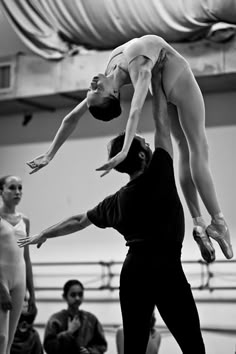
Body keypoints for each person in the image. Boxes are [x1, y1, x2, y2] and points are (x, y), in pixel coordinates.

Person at [18, 64, 206, 354]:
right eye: (143, 142)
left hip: (135, 272)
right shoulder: (159, 171)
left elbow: (79, 220)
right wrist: (155, 78)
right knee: (193, 345)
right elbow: (162, 122)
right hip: (168, 269)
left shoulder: (117, 201)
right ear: (144, 155)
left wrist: (45, 233)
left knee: (133, 348)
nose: (146, 142)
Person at [26, 34, 232, 263]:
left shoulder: (110, 72)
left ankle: (199, 222)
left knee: (183, 149)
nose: (92, 86)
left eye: (90, 91)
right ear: (114, 94)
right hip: (176, 75)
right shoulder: (137, 67)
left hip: (162, 83)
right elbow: (134, 110)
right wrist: (124, 151)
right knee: (199, 147)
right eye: (96, 91)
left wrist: (50, 154)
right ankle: (219, 222)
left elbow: (71, 118)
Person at [0, 175, 36, 354]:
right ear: (1, 192)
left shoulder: (25, 221)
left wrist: (33, 294)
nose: (17, 192)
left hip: (19, 281)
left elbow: (26, 258)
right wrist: (1, 288)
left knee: (10, 339)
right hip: (2, 281)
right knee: (1, 337)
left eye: (20, 188)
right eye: (12, 188)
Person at [43, 279, 107, 354]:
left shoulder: (91, 319)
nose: (77, 298)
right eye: (73, 295)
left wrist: (90, 351)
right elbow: (48, 347)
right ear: (64, 297)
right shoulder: (56, 320)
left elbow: (101, 345)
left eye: (80, 294)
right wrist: (68, 333)